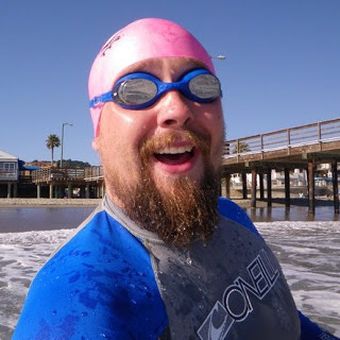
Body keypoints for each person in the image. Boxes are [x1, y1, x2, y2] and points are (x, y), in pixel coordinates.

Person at [14, 18, 338, 340]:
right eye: (136, 90)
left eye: (201, 86)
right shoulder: (78, 298)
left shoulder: (232, 217)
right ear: (98, 133)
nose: (178, 108)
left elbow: (284, 320)